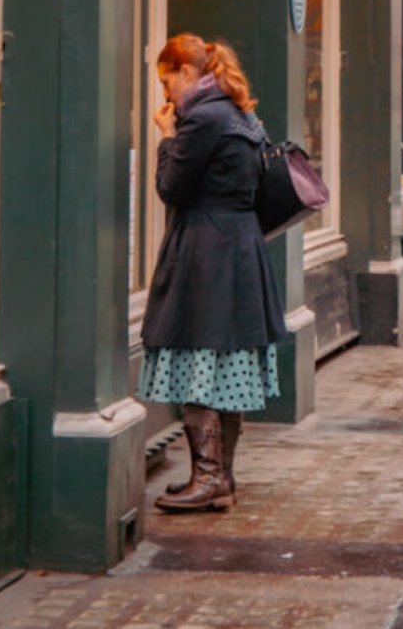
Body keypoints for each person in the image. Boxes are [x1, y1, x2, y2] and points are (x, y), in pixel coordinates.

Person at [138, 34, 286, 513]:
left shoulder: (201, 117)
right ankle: (222, 478)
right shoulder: (240, 112)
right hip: (241, 246)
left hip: (206, 249)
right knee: (227, 367)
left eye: (167, 81)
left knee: (197, 358)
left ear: (185, 72)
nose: (166, 94)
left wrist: (166, 138)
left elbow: (171, 187)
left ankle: (207, 477)